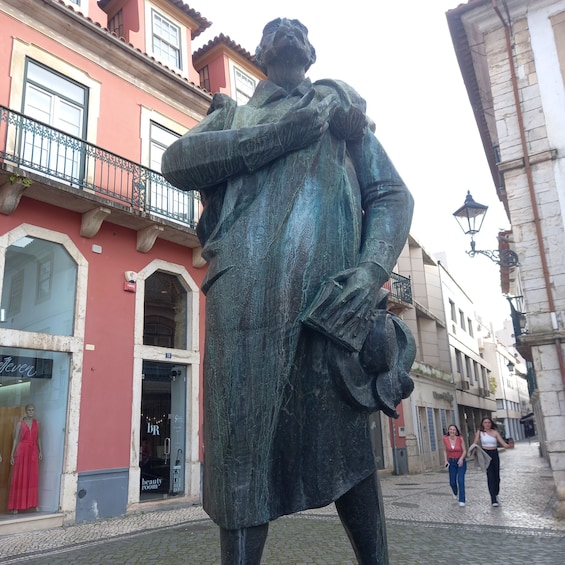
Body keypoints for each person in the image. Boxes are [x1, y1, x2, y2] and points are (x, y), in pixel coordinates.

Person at [162, 17, 414, 564]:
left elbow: (392, 195)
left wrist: (371, 270)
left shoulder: (342, 117)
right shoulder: (235, 115)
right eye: (277, 28)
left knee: (347, 447)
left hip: (331, 299)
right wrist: (281, 134)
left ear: (311, 49)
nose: (288, 30)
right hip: (245, 300)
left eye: (298, 27)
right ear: (261, 51)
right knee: (241, 457)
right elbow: (176, 162)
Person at [8, 403, 42, 514]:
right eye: (29, 410)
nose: (31, 412)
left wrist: (40, 451)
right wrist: (12, 454)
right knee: (20, 476)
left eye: (32, 410)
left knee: (32, 477)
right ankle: (16, 505)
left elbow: (39, 438)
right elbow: (15, 439)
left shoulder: (37, 423)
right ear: (26, 411)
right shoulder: (20, 424)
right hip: (22, 451)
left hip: (32, 452)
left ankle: (34, 504)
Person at [472, 417, 514, 507]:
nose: (487, 424)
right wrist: (474, 449)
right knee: (490, 476)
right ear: (482, 424)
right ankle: (493, 498)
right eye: (485, 422)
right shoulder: (480, 432)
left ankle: (496, 492)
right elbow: (475, 442)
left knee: (497, 477)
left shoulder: (495, 432)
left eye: (488, 422)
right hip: (485, 454)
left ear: (491, 424)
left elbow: (503, 444)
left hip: (494, 454)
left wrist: (509, 445)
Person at [442, 424, 467, 506]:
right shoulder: (445, 439)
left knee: (460, 480)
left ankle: (462, 500)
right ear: (448, 431)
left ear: (456, 431)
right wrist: (445, 460)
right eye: (450, 429)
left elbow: (464, 451)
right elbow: (445, 450)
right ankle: (455, 492)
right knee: (452, 482)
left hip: (460, 462)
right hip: (451, 462)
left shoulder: (460, 439)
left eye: (454, 430)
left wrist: (461, 459)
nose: (452, 431)